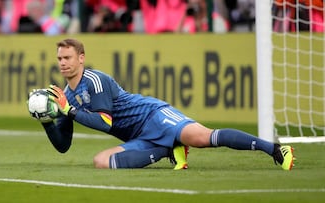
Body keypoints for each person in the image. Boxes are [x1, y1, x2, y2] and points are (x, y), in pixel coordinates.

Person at [29, 38, 295, 170]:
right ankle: (168, 150)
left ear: (81, 58)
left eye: (67, 57)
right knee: (102, 161)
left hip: (152, 115)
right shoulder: (65, 95)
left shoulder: (94, 81)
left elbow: (104, 121)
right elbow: (63, 146)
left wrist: (70, 111)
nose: (62, 63)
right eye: (59, 59)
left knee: (203, 137)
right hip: (138, 135)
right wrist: (48, 121)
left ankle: (274, 149)